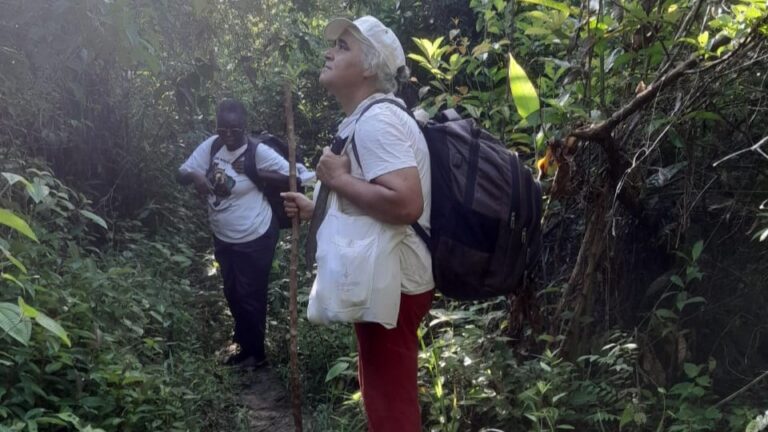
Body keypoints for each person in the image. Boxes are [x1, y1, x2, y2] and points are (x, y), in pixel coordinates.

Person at [282, 16, 433, 432]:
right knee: (383, 400)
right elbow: (375, 202)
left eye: (343, 47)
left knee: (391, 413)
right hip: (387, 281)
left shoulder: (378, 122)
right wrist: (320, 207)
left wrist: (339, 180)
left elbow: (405, 203)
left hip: (396, 286)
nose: (329, 52)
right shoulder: (369, 119)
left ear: (369, 67)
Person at [178, 99, 289, 369]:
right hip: (224, 235)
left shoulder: (257, 151)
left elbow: (296, 175)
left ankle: (256, 354)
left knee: (251, 293)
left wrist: (254, 171)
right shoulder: (212, 146)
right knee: (232, 292)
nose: (228, 134)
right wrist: (196, 176)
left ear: (245, 128)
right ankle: (243, 347)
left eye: (235, 130)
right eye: (222, 128)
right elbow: (180, 173)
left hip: (256, 234)